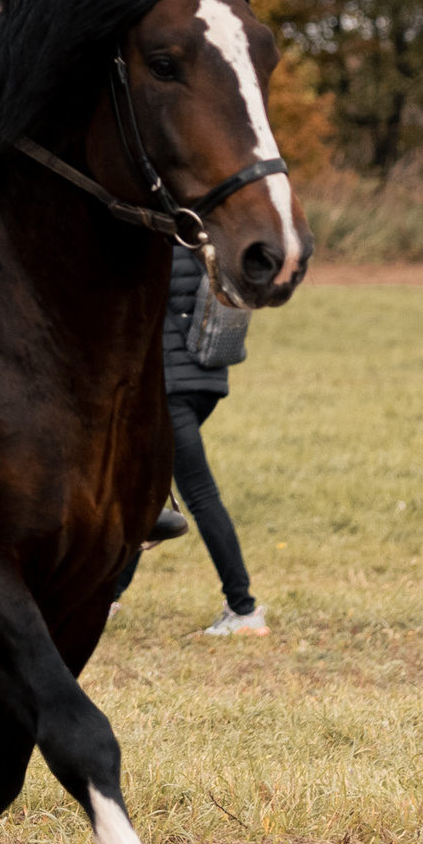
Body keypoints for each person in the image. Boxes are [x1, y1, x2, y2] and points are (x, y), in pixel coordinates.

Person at [160, 245, 266, 635]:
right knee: (148, 490)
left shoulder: (158, 247)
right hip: (206, 381)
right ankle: (110, 596)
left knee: (200, 496)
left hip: (169, 388)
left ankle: (244, 609)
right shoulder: (206, 243)